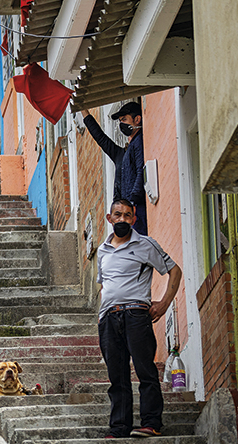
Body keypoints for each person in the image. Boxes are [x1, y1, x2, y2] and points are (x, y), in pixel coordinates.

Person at [97, 199, 182, 438]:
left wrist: (164, 303)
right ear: (109, 218)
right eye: (118, 215)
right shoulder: (102, 251)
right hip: (108, 319)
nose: (122, 219)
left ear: (134, 219)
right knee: (117, 375)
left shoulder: (145, 244)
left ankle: (151, 423)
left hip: (136, 314)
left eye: (127, 216)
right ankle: (119, 428)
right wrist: (102, 318)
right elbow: (105, 286)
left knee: (145, 370)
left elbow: (174, 270)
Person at [82, 102, 147, 235]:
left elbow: (141, 171)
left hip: (136, 212)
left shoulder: (140, 142)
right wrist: (83, 111)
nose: (121, 124)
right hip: (125, 216)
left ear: (137, 119)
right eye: (120, 121)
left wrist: (133, 202)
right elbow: (100, 138)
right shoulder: (120, 155)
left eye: (124, 119)